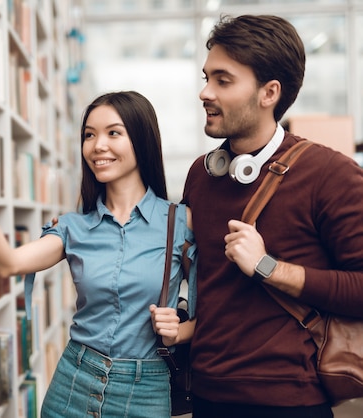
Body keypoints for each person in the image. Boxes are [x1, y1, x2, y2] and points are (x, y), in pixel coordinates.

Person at [0, 90, 197, 417]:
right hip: (73, 382)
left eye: (113, 133)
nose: (98, 146)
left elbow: (216, 314)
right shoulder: (72, 228)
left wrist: (178, 331)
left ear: (142, 139)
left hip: (145, 390)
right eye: (89, 135)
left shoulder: (180, 221)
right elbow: (8, 263)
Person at [183, 14, 363, 418]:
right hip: (208, 395)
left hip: (289, 402)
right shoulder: (202, 173)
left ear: (269, 93)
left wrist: (269, 267)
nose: (205, 92)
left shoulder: (331, 175)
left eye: (223, 80)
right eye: (205, 77)